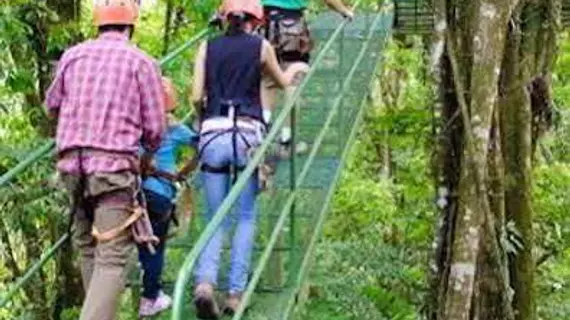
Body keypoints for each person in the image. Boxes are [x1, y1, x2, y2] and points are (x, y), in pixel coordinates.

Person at [44, 1, 166, 319]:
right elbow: (155, 128)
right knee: (112, 258)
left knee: (88, 247)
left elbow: (51, 104)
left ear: (97, 25)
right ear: (131, 26)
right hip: (112, 171)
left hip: (72, 167)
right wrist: (146, 156)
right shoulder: (141, 62)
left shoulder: (72, 56)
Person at [190, 0, 309, 318]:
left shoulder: (206, 47)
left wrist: (203, 122)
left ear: (225, 18)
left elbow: (194, 96)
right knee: (244, 217)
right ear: (256, 20)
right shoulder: (261, 46)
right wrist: (296, 70)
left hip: (213, 133)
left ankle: (204, 283)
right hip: (246, 135)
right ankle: (234, 294)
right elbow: (282, 84)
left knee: (215, 216)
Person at [137, 77, 199, 316]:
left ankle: (147, 286)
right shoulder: (174, 127)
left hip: (135, 190)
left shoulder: (136, 123)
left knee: (143, 240)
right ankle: (150, 297)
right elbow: (201, 146)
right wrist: (185, 170)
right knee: (156, 245)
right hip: (160, 192)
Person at [260, 0, 354, 154]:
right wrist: (344, 10)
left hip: (265, 23)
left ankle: (262, 135)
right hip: (291, 25)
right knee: (293, 80)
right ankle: (286, 140)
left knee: (267, 80)